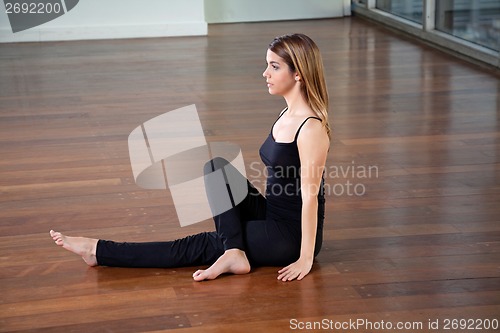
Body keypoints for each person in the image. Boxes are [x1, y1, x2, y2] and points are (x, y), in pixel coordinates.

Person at [50, 33, 331, 282]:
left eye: (274, 66)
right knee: (217, 168)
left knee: (202, 245)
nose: (264, 73)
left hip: (290, 238)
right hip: (272, 214)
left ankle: (98, 250)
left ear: (298, 74)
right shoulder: (285, 115)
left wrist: (305, 258)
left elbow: (309, 197)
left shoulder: (311, 128)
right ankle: (234, 251)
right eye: (267, 65)